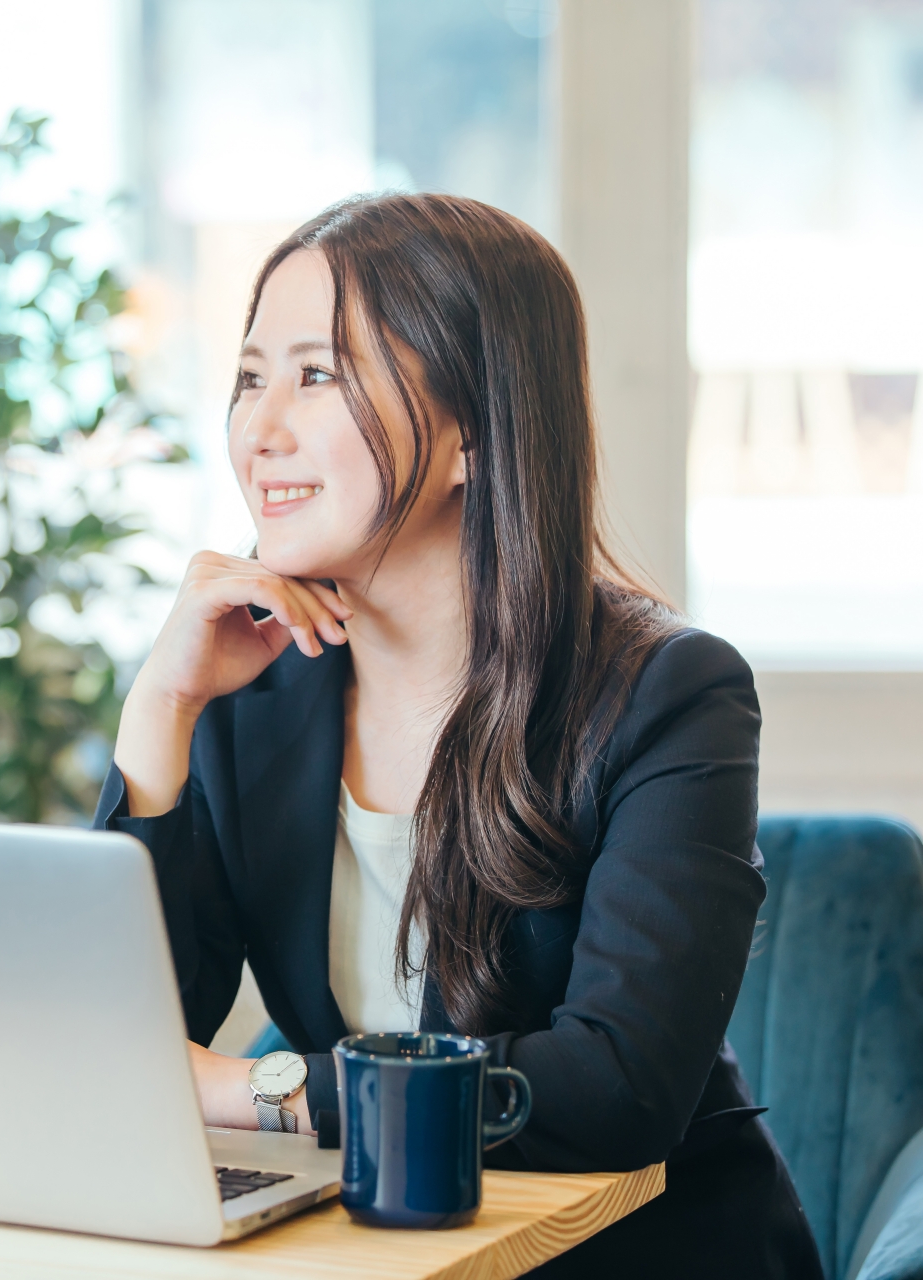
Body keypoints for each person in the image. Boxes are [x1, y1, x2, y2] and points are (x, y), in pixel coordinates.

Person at [94, 193, 823, 1278]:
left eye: (319, 373)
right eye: (250, 377)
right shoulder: (253, 684)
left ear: (473, 428)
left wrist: (258, 1087)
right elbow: (131, 1038)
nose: (260, 427)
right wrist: (159, 714)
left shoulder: (669, 691)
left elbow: (614, 1091)